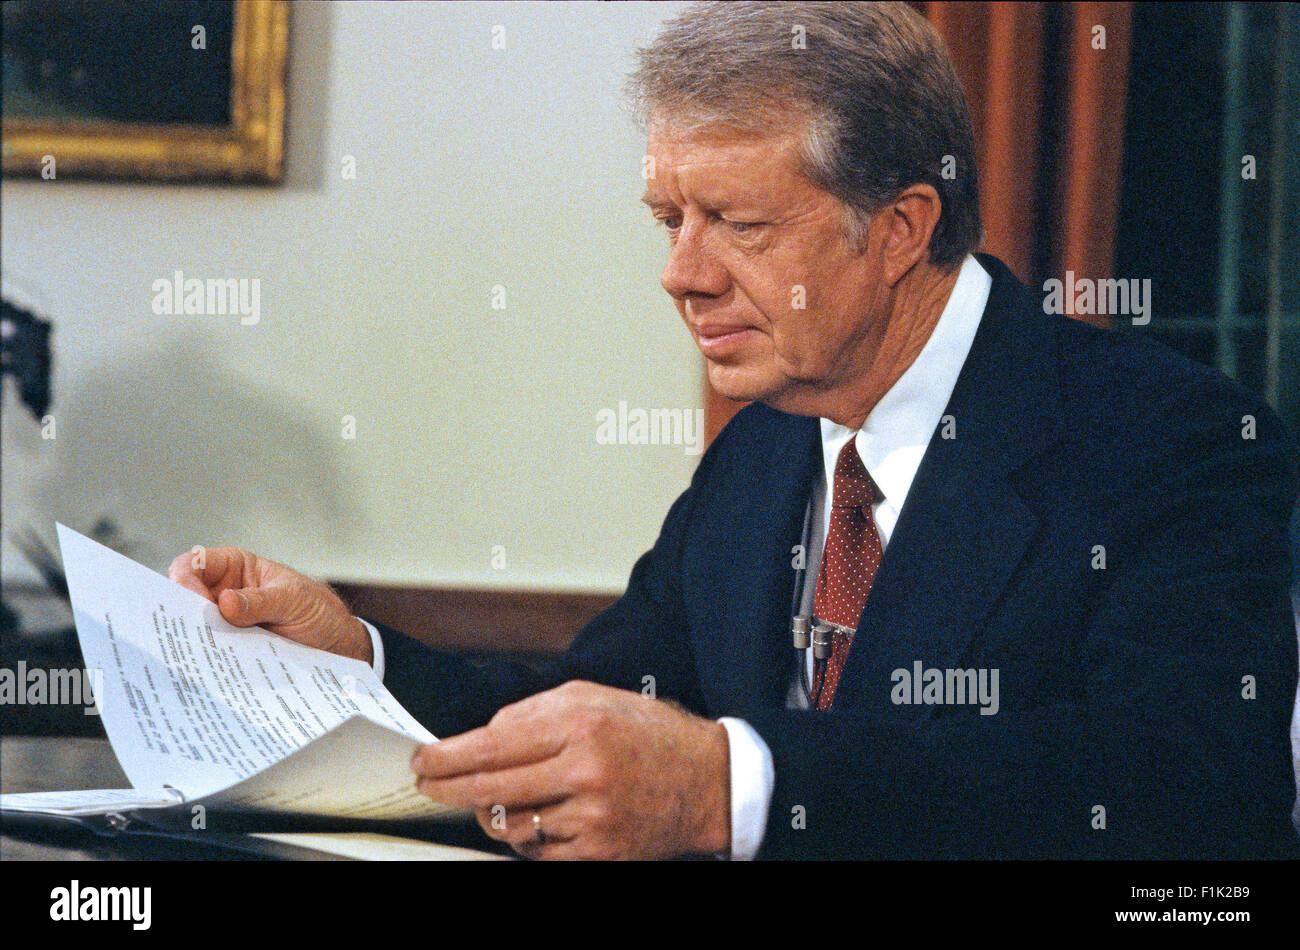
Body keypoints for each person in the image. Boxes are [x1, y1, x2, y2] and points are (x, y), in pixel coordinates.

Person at [169, 2, 1299, 860]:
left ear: (900, 226)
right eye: (670, 219)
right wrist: (356, 663)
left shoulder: (1175, 442)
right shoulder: (764, 448)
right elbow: (594, 716)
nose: (679, 274)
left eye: (738, 224)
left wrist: (732, 783)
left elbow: (1185, 794)